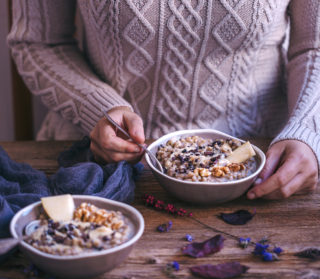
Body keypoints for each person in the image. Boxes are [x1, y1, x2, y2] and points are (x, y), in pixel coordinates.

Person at [7, 0, 319, 200]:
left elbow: (313, 48)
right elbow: (37, 42)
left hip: (262, 172)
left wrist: (306, 130)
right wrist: (99, 108)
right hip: (96, 169)